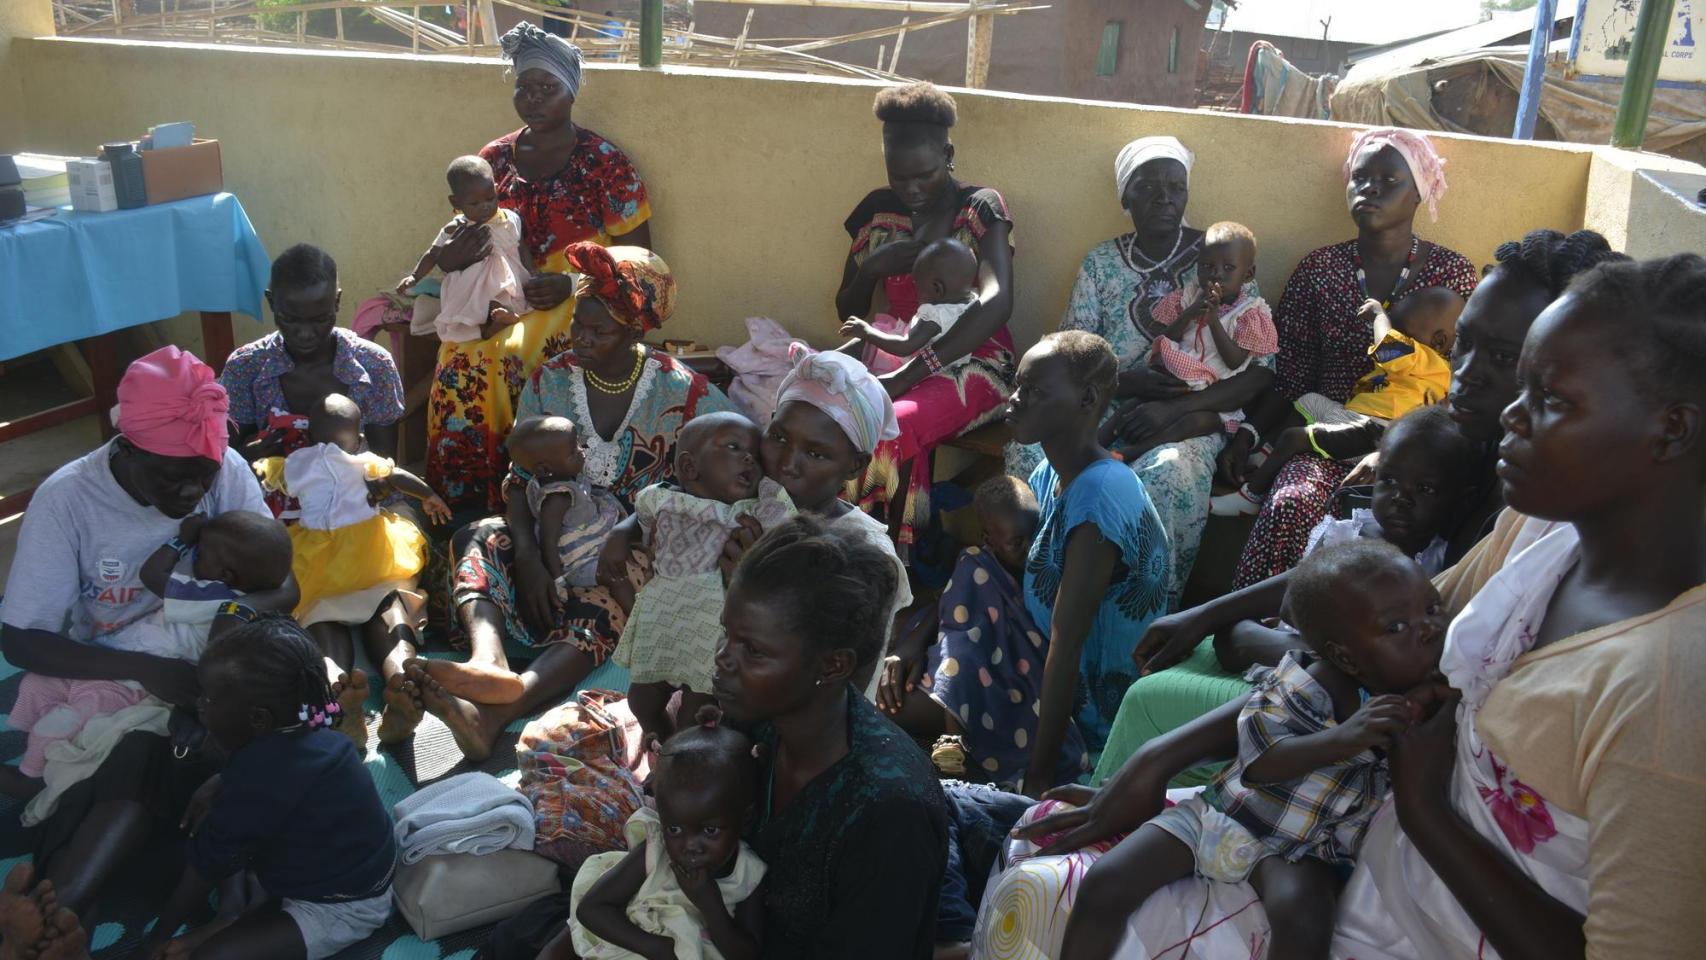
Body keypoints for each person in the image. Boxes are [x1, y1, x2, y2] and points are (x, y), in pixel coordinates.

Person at [981, 256, 1706, 960]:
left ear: (1670, 429)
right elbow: (1360, 637)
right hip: (1372, 865)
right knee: (1042, 859)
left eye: (1552, 400)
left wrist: (1425, 814)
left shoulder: (1670, 694)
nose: (1513, 410)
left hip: (1398, 901)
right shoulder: (1545, 533)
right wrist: (1158, 761)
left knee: (1048, 903)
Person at [1085, 230, 1625, 795]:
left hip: (1372, 724)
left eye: (1504, 357)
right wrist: (1209, 613)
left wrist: (1281, 645)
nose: (1464, 373)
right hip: (1343, 669)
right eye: (1462, 346)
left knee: (1154, 703)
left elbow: (1429, 674)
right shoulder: (1462, 444)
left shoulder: (1531, 512)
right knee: (1189, 659)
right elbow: (1372, 564)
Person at [1061, 539, 1447, 960]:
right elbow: (1261, 762)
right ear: (1346, 658)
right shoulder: (1314, 680)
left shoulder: (1433, 698)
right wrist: (1344, 738)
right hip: (1222, 817)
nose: (1428, 628)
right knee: (1106, 881)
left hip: (1302, 851)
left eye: (1432, 608)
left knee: (1304, 922)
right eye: (1396, 627)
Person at [0, 346, 278, 917]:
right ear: (125, 449)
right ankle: (59, 912)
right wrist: (145, 670)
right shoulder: (68, 500)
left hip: (205, 665)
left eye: (202, 478)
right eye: (174, 480)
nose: (191, 496)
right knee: (139, 759)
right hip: (110, 677)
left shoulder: (223, 470)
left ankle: (63, 903)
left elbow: (279, 584)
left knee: (279, 724)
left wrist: (222, 644)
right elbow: (20, 640)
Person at [430, 244, 731, 759]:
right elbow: (519, 478)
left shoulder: (687, 394)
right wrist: (527, 556)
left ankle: (508, 701)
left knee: (610, 597)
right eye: (578, 326)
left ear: (637, 333)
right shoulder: (550, 381)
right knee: (475, 536)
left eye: (600, 332)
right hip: (546, 535)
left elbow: (736, 455)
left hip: (629, 548)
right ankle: (490, 663)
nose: (583, 340)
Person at [1007, 136, 1273, 606]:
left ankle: (1144, 610)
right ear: (1125, 196)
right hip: (1099, 403)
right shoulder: (1101, 262)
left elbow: (1258, 373)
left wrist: (1173, 405)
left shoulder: (1217, 256)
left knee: (1168, 477)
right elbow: (1069, 354)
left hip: (1189, 413)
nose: (1164, 198)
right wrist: (1124, 383)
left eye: (1175, 187)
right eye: (1148, 187)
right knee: (1027, 456)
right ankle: (1040, 588)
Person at [1225, 128, 1479, 587]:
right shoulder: (1319, 269)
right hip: (1330, 430)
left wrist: (1396, 450)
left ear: (1419, 191)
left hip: (1413, 448)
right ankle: (1254, 629)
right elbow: (1292, 374)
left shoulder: (1453, 274)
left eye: (1389, 180)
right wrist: (1247, 434)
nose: (1370, 189)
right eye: (1360, 177)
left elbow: (1464, 378)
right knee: (1291, 502)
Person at [427, 21, 652, 511]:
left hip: (578, 300)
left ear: (571, 93)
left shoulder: (604, 163)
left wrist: (574, 283)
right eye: (524, 88)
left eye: (547, 88)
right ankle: (462, 501)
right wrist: (450, 259)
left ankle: (519, 496)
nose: (534, 99)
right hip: (496, 294)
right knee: (458, 357)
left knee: (508, 356)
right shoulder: (493, 160)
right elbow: (464, 240)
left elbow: (641, 260)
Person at [713, 516, 947, 959]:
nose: (723, 659)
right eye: (727, 634)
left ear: (833, 666)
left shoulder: (889, 815)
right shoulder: (756, 725)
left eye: (754, 651)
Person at [141, 617, 397, 960]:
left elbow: (204, 868)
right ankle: (236, 914)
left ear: (259, 718)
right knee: (223, 822)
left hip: (342, 906)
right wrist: (220, 783)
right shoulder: (304, 733)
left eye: (210, 699)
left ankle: (237, 919)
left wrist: (155, 939)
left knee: (213, 956)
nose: (200, 705)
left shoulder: (261, 779)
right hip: (321, 864)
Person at [985, 332, 1171, 794]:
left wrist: (1040, 779)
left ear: (1087, 399)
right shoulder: (1050, 475)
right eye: (1017, 386)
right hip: (1047, 669)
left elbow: (1067, 647)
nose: (1016, 400)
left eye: (1035, 391)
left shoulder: (1100, 497)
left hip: (1093, 718)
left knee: (921, 699)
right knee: (977, 568)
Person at [836, 82, 1016, 555]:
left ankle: (884, 562)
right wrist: (873, 267)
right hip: (892, 354)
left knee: (890, 420)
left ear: (949, 154)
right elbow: (846, 312)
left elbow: (997, 303)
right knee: (818, 406)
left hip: (975, 360)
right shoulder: (877, 212)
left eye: (925, 175)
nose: (911, 190)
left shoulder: (980, 208)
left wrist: (910, 374)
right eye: (899, 177)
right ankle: (833, 546)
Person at [8, 511, 291, 793]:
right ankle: (31, 740)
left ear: (224, 575)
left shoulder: (211, 596)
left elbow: (151, 574)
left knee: (60, 722)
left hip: (130, 685)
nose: (193, 557)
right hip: (114, 659)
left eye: (200, 553)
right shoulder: (232, 599)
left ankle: (29, 778)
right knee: (37, 683)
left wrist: (182, 540)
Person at [253, 393, 451, 746]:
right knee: (388, 604)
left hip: (321, 561)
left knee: (319, 615)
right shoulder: (365, 460)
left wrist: (258, 455)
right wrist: (429, 496)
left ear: (312, 438)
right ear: (359, 437)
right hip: (371, 557)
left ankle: (335, 681)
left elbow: (265, 475)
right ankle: (402, 673)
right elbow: (400, 476)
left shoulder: (296, 462)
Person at [879, 474, 1079, 789]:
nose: (1028, 550)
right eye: (1016, 543)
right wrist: (913, 645)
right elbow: (953, 614)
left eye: (1033, 536)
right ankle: (952, 735)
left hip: (1005, 665)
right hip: (961, 648)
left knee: (966, 658)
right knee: (961, 647)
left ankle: (952, 735)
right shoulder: (976, 562)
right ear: (989, 538)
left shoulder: (1044, 565)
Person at [614, 412, 793, 748]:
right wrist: (626, 536)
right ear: (689, 467)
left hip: (708, 633)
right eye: (733, 447)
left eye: (755, 456)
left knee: (695, 717)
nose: (748, 459)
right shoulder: (661, 498)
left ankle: (678, 764)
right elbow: (645, 522)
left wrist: (769, 483)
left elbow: (784, 511)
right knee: (641, 701)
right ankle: (661, 743)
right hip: (663, 622)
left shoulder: (746, 513)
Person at [1213, 286, 1462, 515]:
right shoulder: (1422, 363)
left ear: (1438, 341)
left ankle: (1250, 497)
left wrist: (1379, 315)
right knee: (1308, 401)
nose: (1394, 332)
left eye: (1403, 332)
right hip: (1356, 418)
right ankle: (1267, 455)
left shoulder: (1428, 359)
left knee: (1295, 437)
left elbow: (1385, 347)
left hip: (1376, 434)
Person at [564, 706, 767, 960]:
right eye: (674, 828)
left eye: (710, 830)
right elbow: (593, 909)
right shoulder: (655, 851)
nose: (690, 845)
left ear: (744, 820)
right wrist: (655, 947)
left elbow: (748, 955)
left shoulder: (748, 874)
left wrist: (710, 904)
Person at [221, 244, 406, 465]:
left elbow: (384, 465)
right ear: (271, 302)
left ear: (336, 302)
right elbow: (229, 463)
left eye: (320, 319)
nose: (306, 334)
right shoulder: (245, 367)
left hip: (353, 496)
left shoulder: (375, 365)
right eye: (290, 319)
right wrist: (249, 456)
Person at [1110, 221, 1277, 462]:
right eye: (1207, 266)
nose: (1216, 274)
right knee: (1135, 403)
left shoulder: (1250, 313)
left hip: (1215, 395)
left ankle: (1131, 453)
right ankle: (1097, 443)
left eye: (1228, 267)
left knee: (1198, 422)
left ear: (1248, 274)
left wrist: (1213, 321)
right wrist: (1189, 313)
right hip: (1177, 380)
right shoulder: (1186, 297)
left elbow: (1234, 362)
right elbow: (1166, 338)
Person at [396, 155, 530, 342]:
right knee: (478, 305)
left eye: (490, 198)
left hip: (508, 277)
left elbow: (522, 247)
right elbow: (433, 253)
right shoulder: (456, 227)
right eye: (474, 203)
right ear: (456, 203)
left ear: (496, 188)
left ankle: (503, 317)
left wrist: (533, 272)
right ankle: (489, 327)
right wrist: (415, 276)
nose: (485, 206)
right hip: (472, 284)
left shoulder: (510, 219)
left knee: (503, 298)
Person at [506, 415, 625, 596]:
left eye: (578, 443)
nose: (582, 450)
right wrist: (558, 579)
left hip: (591, 544)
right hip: (580, 561)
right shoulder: (557, 499)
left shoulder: (566, 481)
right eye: (572, 452)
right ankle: (638, 617)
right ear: (545, 470)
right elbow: (548, 542)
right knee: (617, 580)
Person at [839, 237, 981, 376]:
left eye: (917, 284)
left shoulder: (934, 316)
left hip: (907, 364)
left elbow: (905, 346)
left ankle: (825, 364)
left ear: (937, 288)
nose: (915, 288)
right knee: (877, 336)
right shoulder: (971, 302)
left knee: (868, 344)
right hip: (944, 368)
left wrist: (866, 331)